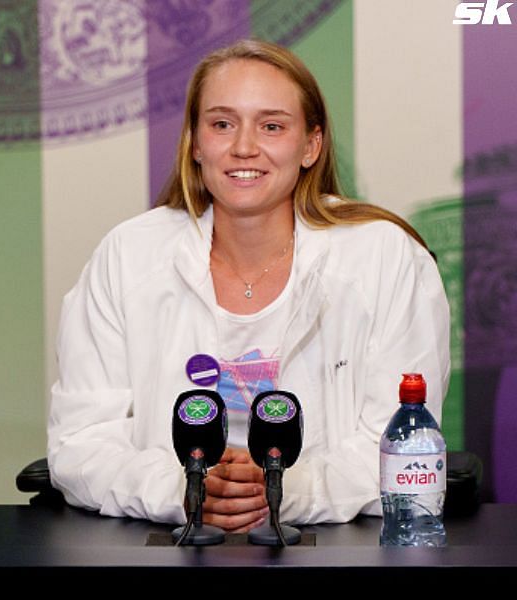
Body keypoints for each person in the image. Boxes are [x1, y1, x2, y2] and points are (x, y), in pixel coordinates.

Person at [46, 39, 450, 532]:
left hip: (334, 550)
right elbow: (80, 444)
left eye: (272, 126)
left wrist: (283, 492)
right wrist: (186, 490)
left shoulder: (386, 258)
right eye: (222, 124)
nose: (243, 147)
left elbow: (399, 444)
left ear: (311, 146)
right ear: (195, 143)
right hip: (166, 547)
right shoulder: (127, 255)